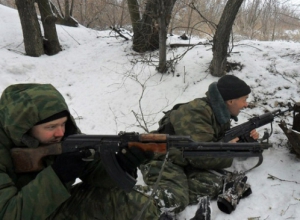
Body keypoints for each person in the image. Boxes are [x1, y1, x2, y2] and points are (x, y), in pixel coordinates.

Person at [0, 83, 167, 220]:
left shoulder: (65, 136)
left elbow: (93, 171)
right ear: (23, 128)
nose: (60, 133)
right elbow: (8, 214)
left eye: (63, 124)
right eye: (50, 127)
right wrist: (57, 176)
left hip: (49, 207)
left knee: (128, 202)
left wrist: (122, 164)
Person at [135, 75, 259, 219]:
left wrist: (245, 140)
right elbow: (201, 157)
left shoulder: (219, 113)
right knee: (175, 198)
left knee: (216, 184)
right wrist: (228, 149)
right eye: (244, 99)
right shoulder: (197, 112)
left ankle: (176, 188)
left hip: (182, 159)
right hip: (161, 158)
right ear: (231, 101)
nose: (246, 104)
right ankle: (124, 198)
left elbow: (212, 142)